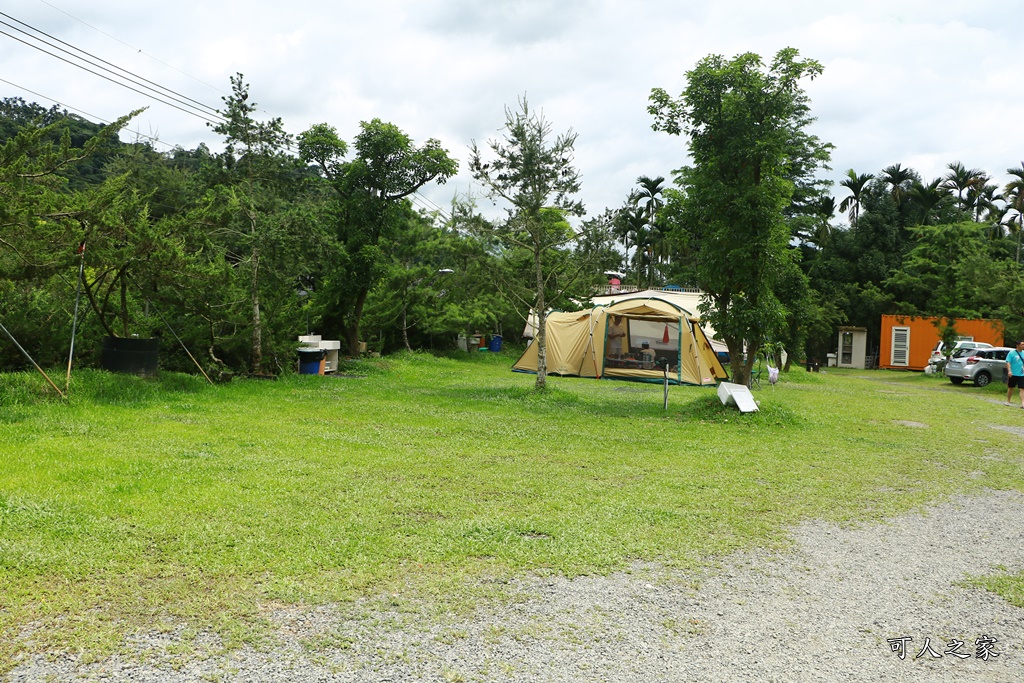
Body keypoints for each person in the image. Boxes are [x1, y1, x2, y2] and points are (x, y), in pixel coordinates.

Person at [1007, 339, 1024, 408]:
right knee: (1011, 387)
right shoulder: (1011, 353)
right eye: (1022, 344)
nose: (1023, 346)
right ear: (1017, 345)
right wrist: (1009, 371)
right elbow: (1008, 362)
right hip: (1013, 373)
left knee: (1022, 388)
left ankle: (1023, 403)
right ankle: (1008, 400)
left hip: (1021, 374)